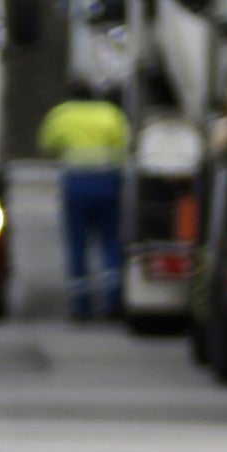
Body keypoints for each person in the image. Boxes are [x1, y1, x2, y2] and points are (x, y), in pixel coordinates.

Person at [36, 88, 132, 313]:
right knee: (110, 240)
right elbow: (124, 147)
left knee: (77, 243)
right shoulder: (110, 113)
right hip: (107, 183)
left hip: (76, 186)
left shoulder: (61, 114)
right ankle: (113, 297)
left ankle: (81, 304)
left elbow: (47, 145)